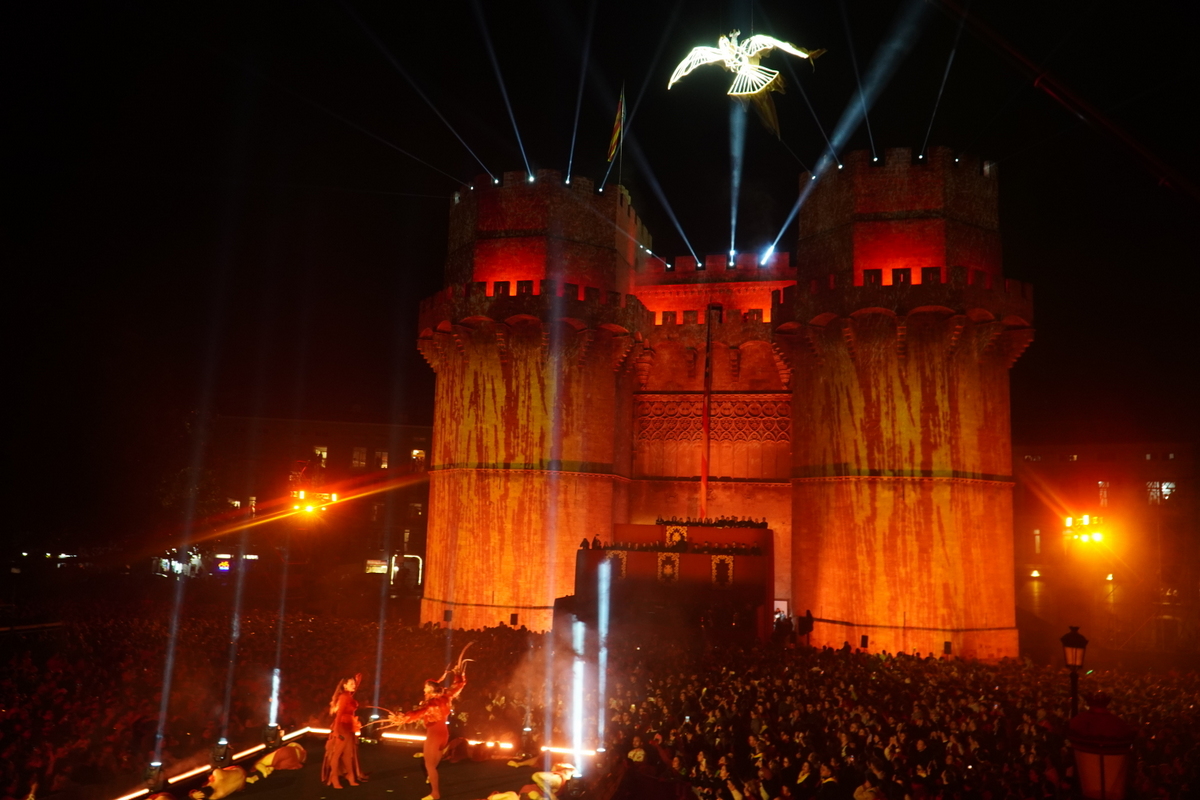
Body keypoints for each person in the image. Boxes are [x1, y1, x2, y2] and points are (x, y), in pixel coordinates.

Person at [386, 644, 473, 800]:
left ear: (432, 690)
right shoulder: (446, 696)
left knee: (429, 766)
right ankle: (432, 778)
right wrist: (459, 675)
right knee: (433, 764)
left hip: (434, 734)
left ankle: (435, 793)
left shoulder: (431, 703)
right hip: (444, 734)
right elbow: (459, 685)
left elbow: (417, 714)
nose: (424, 690)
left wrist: (402, 718)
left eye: (426, 688)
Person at [322, 673, 366, 789]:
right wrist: (336, 731)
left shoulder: (348, 695)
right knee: (337, 754)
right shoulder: (343, 697)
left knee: (348, 754)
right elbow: (339, 714)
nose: (354, 685)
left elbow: (352, 694)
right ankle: (334, 778)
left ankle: (350, 776)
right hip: (342, 726)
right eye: (351, 684)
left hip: (349, 726)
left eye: (354, 684)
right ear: (345, 685)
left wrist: (358, 682)